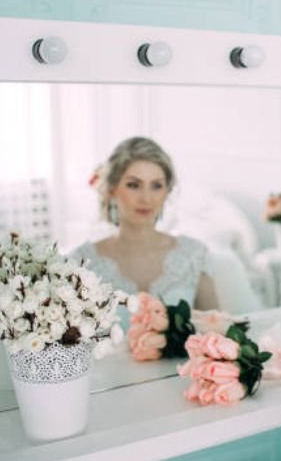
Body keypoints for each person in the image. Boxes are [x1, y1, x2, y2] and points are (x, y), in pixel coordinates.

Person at [71, 137, 219, 324]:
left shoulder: (194, 255)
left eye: (156, 186)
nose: (146, 198)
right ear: (112, 189)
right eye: (134, 185)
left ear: (167, 191)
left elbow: (217, 335)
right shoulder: (82, 263)